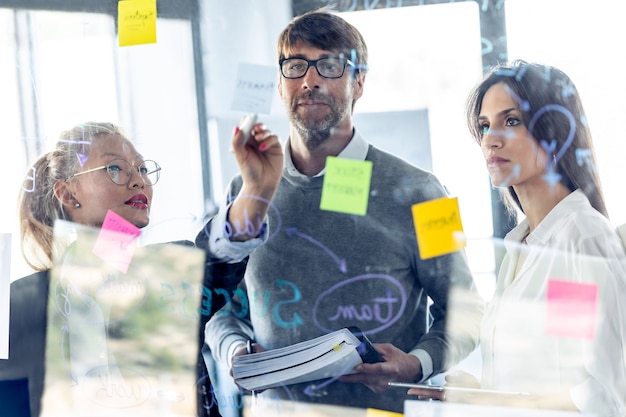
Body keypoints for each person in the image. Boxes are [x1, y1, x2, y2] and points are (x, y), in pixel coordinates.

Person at [199, 9, 484, 413]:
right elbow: (220, 302)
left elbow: (469, 311)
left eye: (329, 66)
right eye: (296, 66)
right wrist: (232, 349)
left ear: (359, 82)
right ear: (280, 84)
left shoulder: (426, 192)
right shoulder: (245, 189)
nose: (310, 80)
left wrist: (415, 364)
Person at [0, 121, 282, 417]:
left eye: (142, 169)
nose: (138, 181)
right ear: (69, 194)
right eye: (115, 168)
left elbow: (222, 252)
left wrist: (256, 189)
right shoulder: (21, 307)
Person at [408, 60, 626, 415]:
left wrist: (494, 400)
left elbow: (605, 393)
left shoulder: (579, 240)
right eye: (484, 125)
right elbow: (554, 374)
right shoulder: (522, 246)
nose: (491, 139)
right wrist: (480, 392)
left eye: (511, 121)